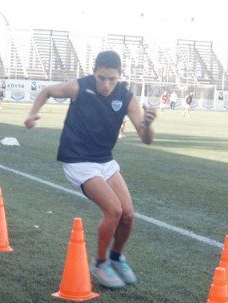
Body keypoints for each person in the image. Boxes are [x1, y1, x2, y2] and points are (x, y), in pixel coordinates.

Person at [24, 50, 157, 288]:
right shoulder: (79, 87)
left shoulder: (126, 98)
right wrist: (32, 114)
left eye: (112, 79)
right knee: (114, 211)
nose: (106, 84)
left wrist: (147, 125)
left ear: (119, 76)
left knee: (128, 215)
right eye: (102, 78)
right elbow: (47, 91)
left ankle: (116, 257)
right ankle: (100, 263)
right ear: (94, 72)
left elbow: (146, 139)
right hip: (78, 160)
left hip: (104, 161)